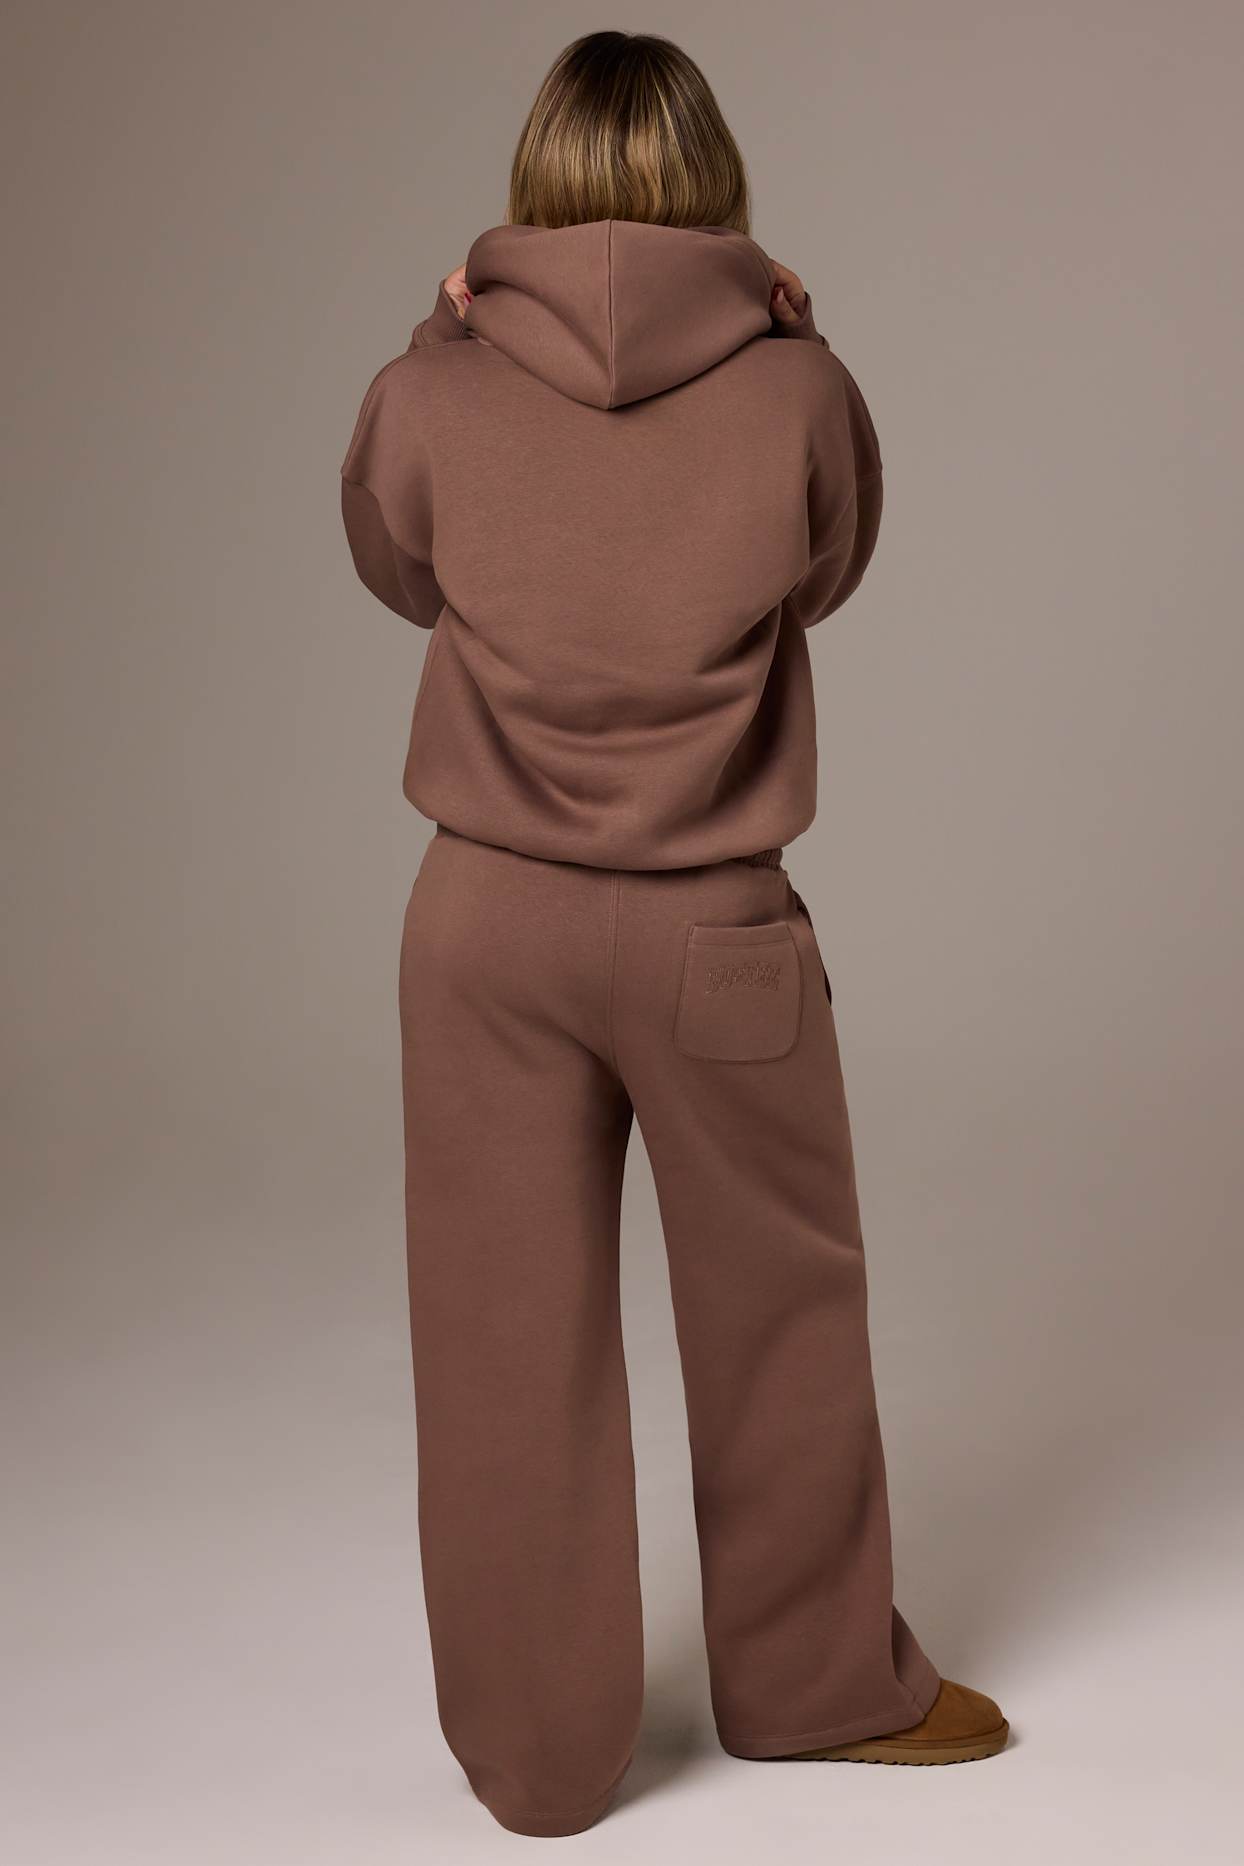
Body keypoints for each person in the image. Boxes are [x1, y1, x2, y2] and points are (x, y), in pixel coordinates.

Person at [340, 28, 1007, 1840]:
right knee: (782, 1307)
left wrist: (444, 342)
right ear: (714, 182)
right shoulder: (804, 392)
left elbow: (396, 564)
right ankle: (814, 1684)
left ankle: (541, 1754)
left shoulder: (429, 395)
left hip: (488, 928)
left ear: (535, 182)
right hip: (721, 924)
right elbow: (827, 570)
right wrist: (785, 339)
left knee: (503, 1338)